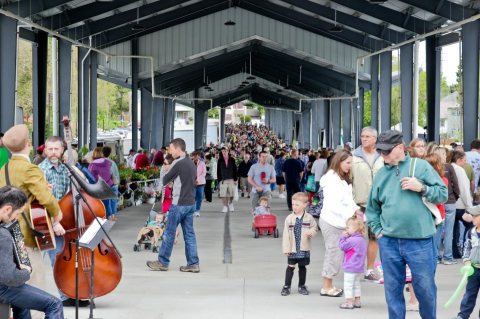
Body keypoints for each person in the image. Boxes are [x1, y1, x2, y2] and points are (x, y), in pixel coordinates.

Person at [366, 130, 448, 319]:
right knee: (392, 290)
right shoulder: (380, 175)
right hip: (390, 242)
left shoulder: (420, 167)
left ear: (400, 148)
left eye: (386, 151)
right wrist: (379, 232)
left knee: (425, 290)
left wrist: (422, 187)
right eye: (381, 150)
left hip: (419, 241)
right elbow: (372, 209)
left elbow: (442, 194)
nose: (382, 154)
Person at [0, 124, 65, 319]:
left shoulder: (3, 168)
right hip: (25, 237)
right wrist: (57, 217)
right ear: (28, 145)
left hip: (5, 232)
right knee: (35, 289)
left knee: (18, 297)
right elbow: (46, 200)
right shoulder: (31, 169)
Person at [0, 186, 64, 319]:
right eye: (18, 213)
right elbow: (9, 278)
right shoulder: (3, 234)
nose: (16, 218)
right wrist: (26, 271)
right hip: (3, 287)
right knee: (55, 304)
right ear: (7, 209)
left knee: (23, 304)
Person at [38, 137, 82, 307]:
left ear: (63, 150)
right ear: (45, 151)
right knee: (54, 260)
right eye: (50, 149)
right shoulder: (41, 171)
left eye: (57, 149)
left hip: (64, 223)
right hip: (46, 223)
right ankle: (64, 297)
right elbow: (42, 200)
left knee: (63, 260)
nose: (54, 152)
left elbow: (81, 184)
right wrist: (54, 221)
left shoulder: (65, 169)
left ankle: (68, 293)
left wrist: (74, 168)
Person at [147, 138, 200, 273]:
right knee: (189, 234)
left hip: (178, 204)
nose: (169, 152)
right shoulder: (191, 163)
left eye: (170, 149)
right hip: (190, 203)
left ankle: (163, 262)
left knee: (169, 234)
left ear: (177, 148)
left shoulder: (177, 163)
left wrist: (165, 169)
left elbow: (164, 180)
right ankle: (193, 263)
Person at [319, 149, 361, 297]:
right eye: (347, 163)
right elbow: (334, 205)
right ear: (339, 161)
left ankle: (329, 283)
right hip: (332, 222)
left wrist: (357, 211)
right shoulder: (332, 180)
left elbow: (348, 201)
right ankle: (326, 286)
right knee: (333, 253)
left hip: (340, 221)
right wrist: (351, 218)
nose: (350, 166)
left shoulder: (341, 177)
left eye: (351, 163)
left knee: (336, 253)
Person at [351, 126, 384, 282]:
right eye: (362, 136)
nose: (364, 139)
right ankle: (353, 268)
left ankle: (369, 269)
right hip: (358, 204)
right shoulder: (353, 157)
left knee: (374, 237)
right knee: (355, 237)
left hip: (377, 204)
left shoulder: (383, 157)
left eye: (367, 137)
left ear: (375, 139)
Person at [281, 192, 317, 296]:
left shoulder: (309, 217)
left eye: (297, 205)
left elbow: (314, 227)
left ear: (305, 205)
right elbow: (285, 234)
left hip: (303, 248)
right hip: (292, 248)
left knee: (302, 267)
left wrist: (312, 232)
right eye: (293, 204)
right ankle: (286, 286)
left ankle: (302, 286)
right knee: (290, 266)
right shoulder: (289, 218)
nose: (294, 207)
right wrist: (286, 248)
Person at [455, 205, 480, 319]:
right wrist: (466, 260)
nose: (472, 218)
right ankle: (463, 315)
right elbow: (467, 248)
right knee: (469, 294)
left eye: (475, 216)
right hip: (474, 269)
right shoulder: (471, 232)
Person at [338, 217, 367, 310]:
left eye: (348, 228)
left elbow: (342, 246)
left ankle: (349, 302)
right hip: (359, 267)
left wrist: (343, 237)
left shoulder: (351, 240)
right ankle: (357, 301)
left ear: (355, 229)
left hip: (350, 267)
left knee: (348, 284)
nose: (346, 229)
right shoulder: (362, 240)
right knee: (357, 284)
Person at [88, 147, 115, 220]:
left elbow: (91, 177)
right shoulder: (107, 163)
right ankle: (109, 218)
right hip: (107, 186)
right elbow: (109, 174)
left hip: (98, 187)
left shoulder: (92, 165)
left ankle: (101, 220)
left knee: (99, 205)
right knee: (107, 203)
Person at [217, 147, 238, 213]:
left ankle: (230, 204)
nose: (224, 152)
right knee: (223, 194)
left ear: (228, 151)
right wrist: (219, 179)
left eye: (225, 151)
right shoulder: (220, 160)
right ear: (222, 152)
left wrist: (235, 179)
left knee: (231, 194)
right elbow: (218, 171)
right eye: (223, 151)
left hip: (231, 179)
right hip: (223, 179)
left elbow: (235, 169)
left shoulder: (232, 159)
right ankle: (225, 206)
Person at [102, 146, 120, 220]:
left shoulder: (101, 163)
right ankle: (113, 216)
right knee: (113, 201)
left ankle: (108, 216)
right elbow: (117, 174)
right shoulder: (113, 163)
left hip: (106, 185)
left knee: (107, 201)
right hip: (114, 184)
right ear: (109, 153)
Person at [191, 151, 206, 217]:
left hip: (201, 183)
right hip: (192, 183)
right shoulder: (190, 163)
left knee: (199, 197)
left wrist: (197, 180)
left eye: (195, 156)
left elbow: (204, 173)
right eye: (193, 156)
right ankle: (193, 210)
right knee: (193, 197)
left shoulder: (202, 163)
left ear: (198, 156)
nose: (194, 157)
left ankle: (197, 210)